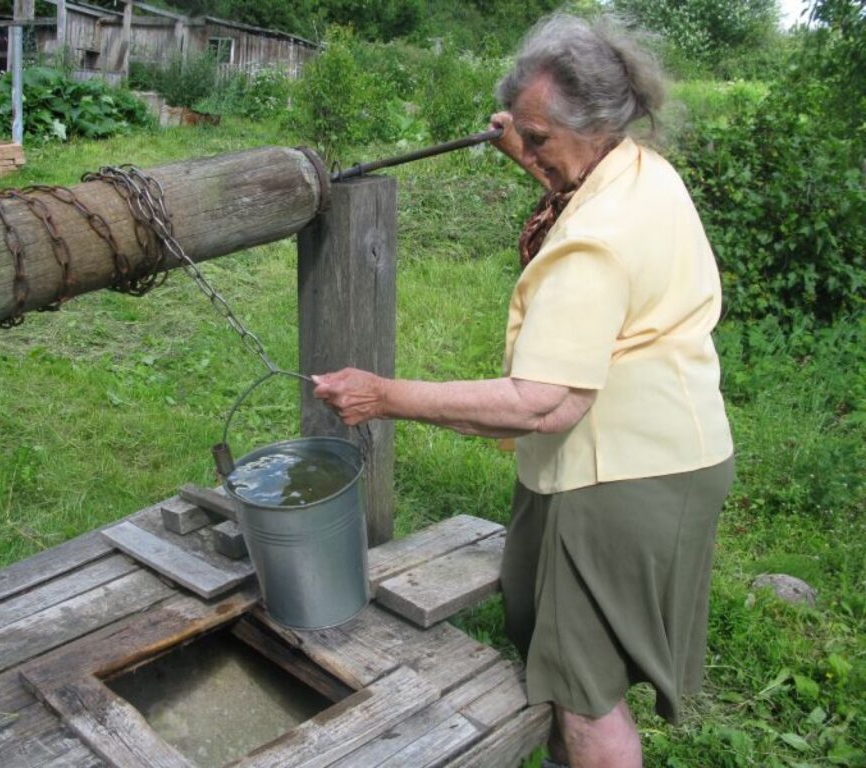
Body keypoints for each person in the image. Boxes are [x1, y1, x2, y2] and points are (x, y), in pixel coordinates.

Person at [312, 13, 734, 768]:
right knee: (577, 656)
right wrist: (534, 153)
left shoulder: (594, 242)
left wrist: (384, 395)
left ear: (596, 123)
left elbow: (545, 402)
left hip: (619, 478)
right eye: (525, 137)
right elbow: (573, 181)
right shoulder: (638, 171)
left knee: (584, 699)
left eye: (539, 140)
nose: (528, 151)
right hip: (676, 453)